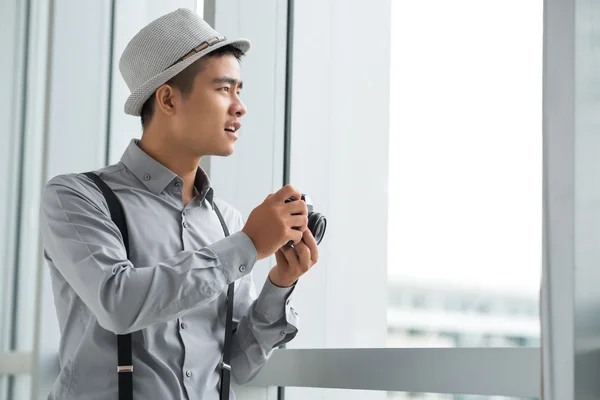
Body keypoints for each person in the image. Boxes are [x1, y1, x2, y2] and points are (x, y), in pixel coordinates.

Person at [39, 8, 319, 400]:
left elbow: (237, 363)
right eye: (224, 89)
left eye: (240, 91)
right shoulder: (76, 197)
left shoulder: (228, 222)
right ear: (168, 99)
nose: (240, 107)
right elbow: (119, 303)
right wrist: (248, 246)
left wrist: (279, 283)